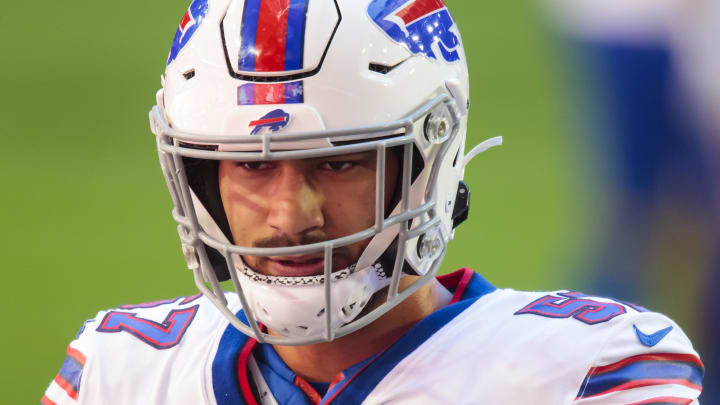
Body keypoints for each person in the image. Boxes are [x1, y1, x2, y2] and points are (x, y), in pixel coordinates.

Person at [43, 0, 704, 404]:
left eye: (338, 162)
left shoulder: (586, 375)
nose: (291, 214)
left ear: (428, 163)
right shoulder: (119, 374)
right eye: (249, 163)